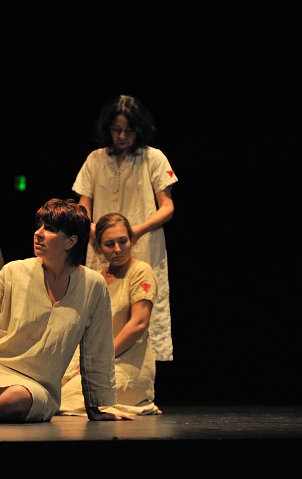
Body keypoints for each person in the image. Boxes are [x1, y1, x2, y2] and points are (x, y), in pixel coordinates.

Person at [0, 199, 133, 424]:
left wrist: (96, 405)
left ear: (70, 241)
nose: (38, 233)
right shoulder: (13, 272)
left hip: (35, 381)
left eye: (49, 229)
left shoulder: (93, 285)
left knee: (12, 402)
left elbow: (97, 348)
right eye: (39, 226)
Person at [72, 94, 178, 363]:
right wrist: (93, 229)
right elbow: (83, 205)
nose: (121, 136)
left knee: (141, 305)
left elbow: (167, 207)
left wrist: (137, 230)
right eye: (116, 129)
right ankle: (94, 367)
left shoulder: (153, 158)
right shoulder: (95, 159)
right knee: (102, 305)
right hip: (102, 245)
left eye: (128, 130)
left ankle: (139, 376)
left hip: (141, 244)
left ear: (138, 129)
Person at [60, 213, 161, 416]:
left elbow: (139, 323)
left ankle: (137, 401)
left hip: (127, 362)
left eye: (123, 241)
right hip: (95, 360)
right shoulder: (98, 278)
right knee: (48, 389)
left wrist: (101, 359)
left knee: (69, 398)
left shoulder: (140, 270)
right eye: (109, 244)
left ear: (131, 240)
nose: (117, 249)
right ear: (98, 247)